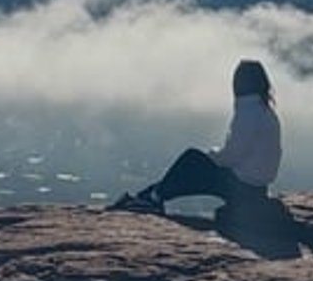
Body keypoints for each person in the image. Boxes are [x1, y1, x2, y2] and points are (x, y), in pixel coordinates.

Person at [116, 59, 281, 214]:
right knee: (190, 170)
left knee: (192, 159)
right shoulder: (264, 111)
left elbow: (232, 156)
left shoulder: (249, 113)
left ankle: (150, 198)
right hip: (257, 187)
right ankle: (149, 197)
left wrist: (209, 158)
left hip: (244, 186)